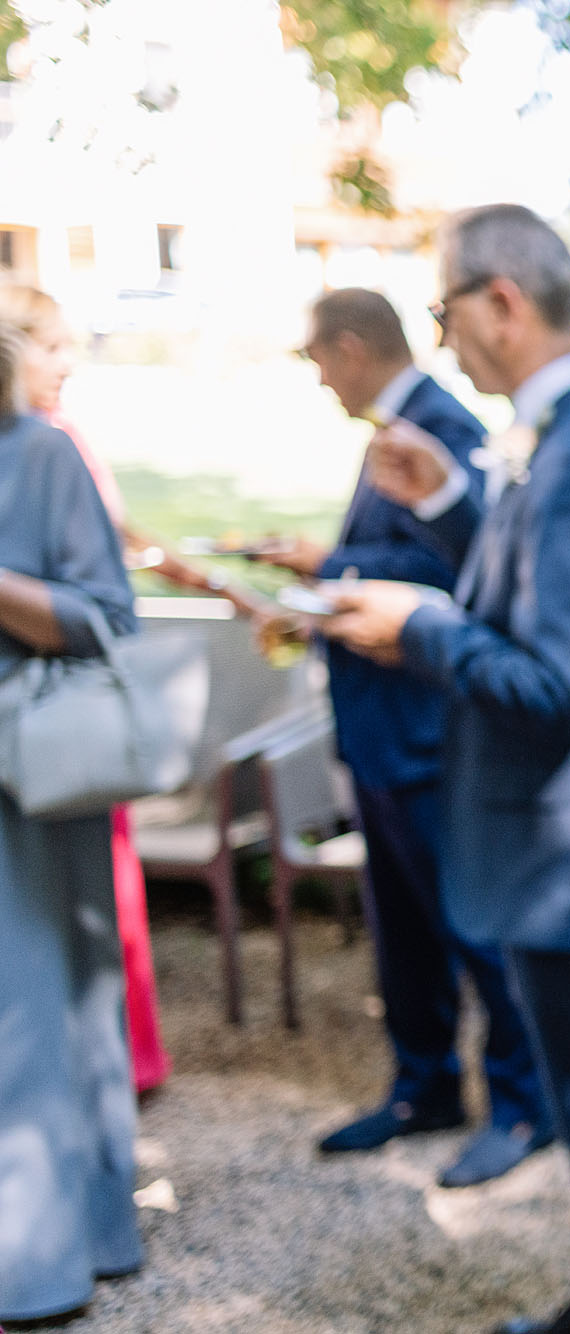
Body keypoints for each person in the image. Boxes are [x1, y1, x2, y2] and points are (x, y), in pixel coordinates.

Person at [322, 205, 570, 1334]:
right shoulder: (566, 436)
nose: (440, 338)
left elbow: (550, 682)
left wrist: (417, 627)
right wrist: (447, 507)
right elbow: (531, 591)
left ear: (502, 302)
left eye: (444, 311)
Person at [258, 287, 551, 1187]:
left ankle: (523, 1106)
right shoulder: (404, 421)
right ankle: (423, 1086)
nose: (320, 380)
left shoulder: (440, 424)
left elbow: (462, 572)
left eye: (318, 360)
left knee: (471, 927)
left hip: (429, 728)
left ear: (351, 348)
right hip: (381, 727)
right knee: (404, 931)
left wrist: (332, 570)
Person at [0, 322, 145, 1322]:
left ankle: (46, 1260)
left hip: (26, 787)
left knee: (38, 1015)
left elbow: (106, 615)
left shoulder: (41, 452)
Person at [0, 282, 172, 1094]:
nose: (66, 363)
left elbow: (106, 609)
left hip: (40, 754)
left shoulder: (44, 449)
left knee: (58, 977)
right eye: (52, 346)